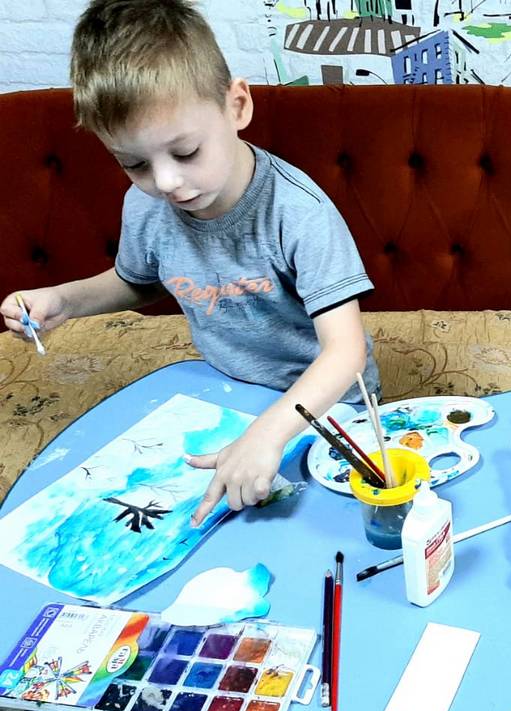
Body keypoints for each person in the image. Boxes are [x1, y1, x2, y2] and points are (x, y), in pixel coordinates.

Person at [1, 0, 380, 527]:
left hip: (325, 406)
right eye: (135, 164)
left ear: (237, 106)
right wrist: (64, 300)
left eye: (185, 153)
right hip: (224, 395)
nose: (166, 183)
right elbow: (137, 282)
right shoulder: (147, 204)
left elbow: (346, 353)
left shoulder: (299, 213)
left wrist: (268, 433)